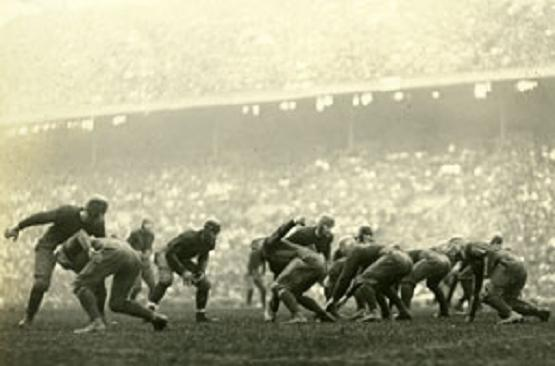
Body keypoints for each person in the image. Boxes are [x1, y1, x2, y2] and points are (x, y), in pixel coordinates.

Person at [4, 196, 108, 328]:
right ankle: (28, 318)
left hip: (72, 254)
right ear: (93, 214)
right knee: (41, 284)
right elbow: (41, 218)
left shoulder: (97, 223)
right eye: (100, 215)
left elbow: (102, 243)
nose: (101, 219)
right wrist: (18, 227)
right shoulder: (67, 212)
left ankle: (99, 317)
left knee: (98, 279)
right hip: (49, 247)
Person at [59, 231, 168, 333]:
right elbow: (99, 288)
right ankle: (155, 317)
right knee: (117, 303)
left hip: (114, 252)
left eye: (69, 266)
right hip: (132, 255)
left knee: (79, 285)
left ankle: (96, 323)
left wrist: (89, 250)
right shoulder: (98, 246)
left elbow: (81, 234)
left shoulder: (67, 248)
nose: (74, 268)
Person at [451, 240, 550, 324]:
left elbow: (489, 254)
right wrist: (470, 316)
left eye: (459, 257)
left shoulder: (470, 247)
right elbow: (476, 292)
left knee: (489, 295)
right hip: (518, 266)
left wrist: (487, 277)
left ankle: (513, 315)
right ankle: (538, 312)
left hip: (507, 264)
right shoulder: (477, 263)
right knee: (507, 302)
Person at [261, 216, 334, 324]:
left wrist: (293, 222)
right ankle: (322, 313)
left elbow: (280, 232)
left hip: (307, 262)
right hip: (311, 263)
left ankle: (298, 316)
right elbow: (278, 273)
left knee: (278, 287)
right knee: (294, 293)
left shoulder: (269, 244)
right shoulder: (271, 257)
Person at [148, 219, 221, 322]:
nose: (212, 235)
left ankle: (200, 315)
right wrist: (183, 272)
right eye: (210, 232)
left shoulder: (210, 242)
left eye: (214, 233)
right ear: (204, 230)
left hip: (181, 258)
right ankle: (149, 311)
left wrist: (201, 271)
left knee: (204, 284)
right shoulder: (189, 237)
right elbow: (170, 254)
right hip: (165, 253)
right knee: (166, 280)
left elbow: (204, 256)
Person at [326, 244, 413, 322]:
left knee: (364, 282)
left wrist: (334, 299)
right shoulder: (368, 252)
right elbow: (358, 282)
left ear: (346, 248)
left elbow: (346, 278)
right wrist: (345, 297)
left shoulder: (356, 250)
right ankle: (401, 312)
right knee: (383, 286)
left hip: (393, 258)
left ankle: (374, 312)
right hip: (407, 261)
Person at [400, 248, 452, 317]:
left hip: (433, 260)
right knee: (433, 284)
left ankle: (404, 312)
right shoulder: (418, 252)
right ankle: (444, 311)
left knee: (407, 281)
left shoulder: (404, 257)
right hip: (446, 262)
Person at [127, 218, 156, 300]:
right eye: (147, 224)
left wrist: (149, 252)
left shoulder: (151, 235)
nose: (149, 226)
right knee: (137, 287)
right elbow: (128, 244)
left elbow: (149, 247)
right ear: (143, 225)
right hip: (135, 261)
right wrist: (135, 252)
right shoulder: (135, 233)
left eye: (150, 225)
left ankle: (151, 304)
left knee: (153, 285)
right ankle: (131, 300)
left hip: (145, 261)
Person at [245, 238, 267, 308]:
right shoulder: (255, 252)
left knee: (261, 289)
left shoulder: (257, 252)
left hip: (254, 273)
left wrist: (263, 271)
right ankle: (249, 304)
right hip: (252, 273)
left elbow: (263, 263)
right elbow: (262, 263)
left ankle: (250, 304)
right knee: (253, 289)